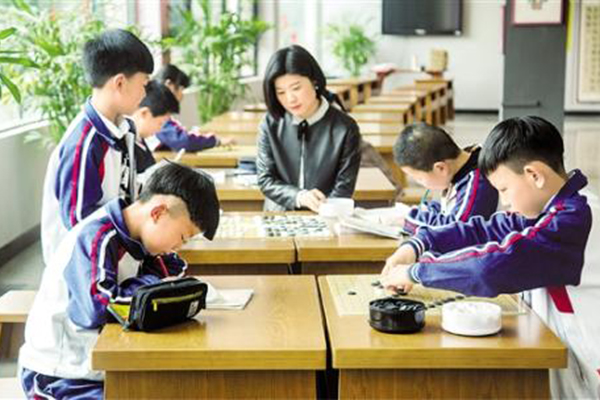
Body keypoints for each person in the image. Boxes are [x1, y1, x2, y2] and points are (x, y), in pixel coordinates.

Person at [381, 116, 600, 399]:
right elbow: (484, 230)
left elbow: (490, 269)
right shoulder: (550, 207)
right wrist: (418, 244)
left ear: (534, 175)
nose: (504, 202)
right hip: (570, 363)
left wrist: (416, 272)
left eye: (504, 189)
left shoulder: (574, 219)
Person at [19, 162, 220, 399]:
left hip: (101, 370)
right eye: (183, 237)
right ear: (158, 213)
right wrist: (152, 282)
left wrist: (154, 283)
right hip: (60, 377)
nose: (179, 246)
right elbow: (99, 308)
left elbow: (173, 272)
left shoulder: (140, 242)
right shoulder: (97, 236)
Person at [40, 29, 154, 265]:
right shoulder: (84, 144)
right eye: (143, 84)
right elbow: (81, 225)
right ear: (120, 83)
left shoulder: (125, 128)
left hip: (114, 254)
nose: (145, 93)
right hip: (84, 267)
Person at [257, 44, 361, 212]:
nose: (290, 99)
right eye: (281, 92)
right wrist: (299, 197)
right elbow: (266, 179)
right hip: (279, 217)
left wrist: (325, 211)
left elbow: (343, 188)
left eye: (296, 88)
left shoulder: (345, 128)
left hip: (326, 216)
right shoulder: (270, 124)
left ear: (314, 81)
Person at [392, 123, 498, 234]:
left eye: (419, 178)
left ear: (441, 168)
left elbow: (454, 231)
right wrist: (426, 210)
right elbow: (447, 210)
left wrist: (409, 221)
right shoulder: (459, 165)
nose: (419, 183)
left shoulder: (477, 184)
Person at [149, 64, 235, 152]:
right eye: (181, 89)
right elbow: (182, 141)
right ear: (169, 85)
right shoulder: (155, 111)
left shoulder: (156, 107)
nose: (182, 95)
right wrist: (216, 141)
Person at [130, 80, 180, 173]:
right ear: (144, 113)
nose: (160, 129)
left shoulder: (140, 142)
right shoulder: (126, 146)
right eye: (160, 123)